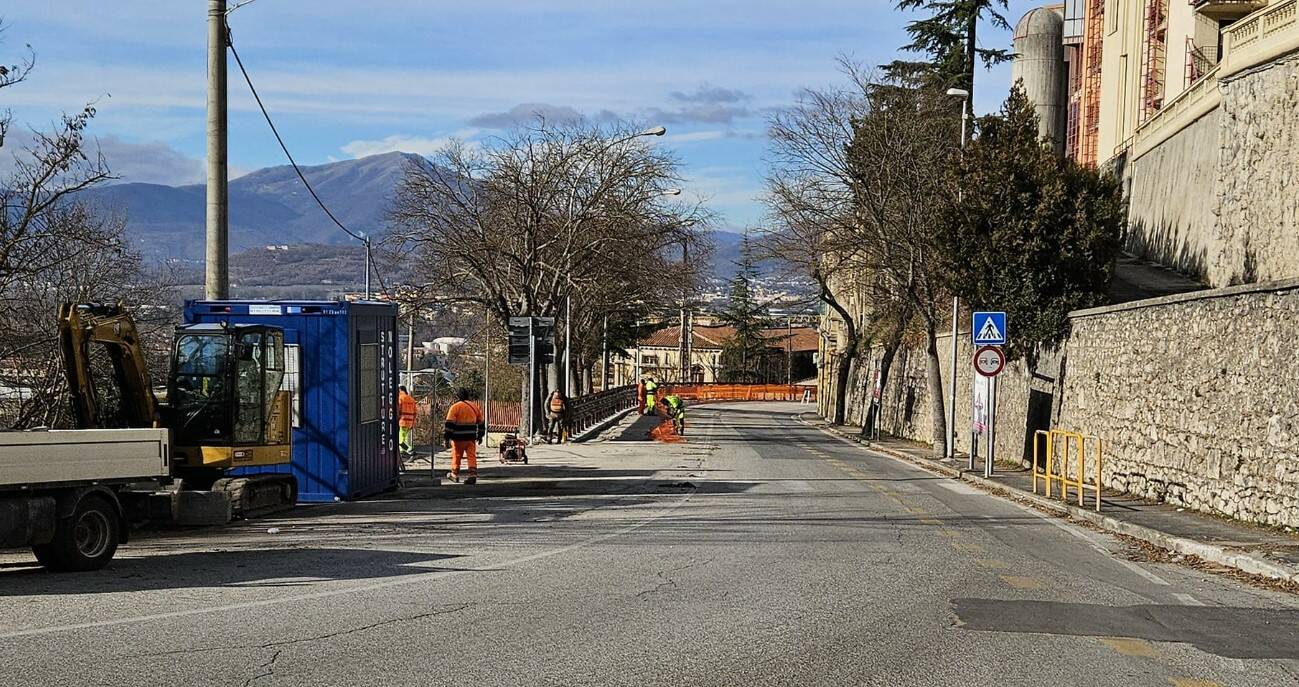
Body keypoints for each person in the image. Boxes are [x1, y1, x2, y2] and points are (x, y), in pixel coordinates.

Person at [444, 387, 485, 484]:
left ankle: (454, 474)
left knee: (456, 456)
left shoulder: (455, 407)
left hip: (458, 438)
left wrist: (447, 438)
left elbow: (449, 424)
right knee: (471, 456)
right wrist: (480, 435)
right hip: (471, 437)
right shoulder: (474, 406)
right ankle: (472, 474)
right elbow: (481, 422)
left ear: (457, 396)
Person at [398, 385, 417, 459]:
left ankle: (410, 451)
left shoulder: (400, 398)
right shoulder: (411, 399)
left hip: (402, 421)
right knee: (404, 438)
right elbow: (415, 412)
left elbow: (398, 410)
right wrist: (413, 423)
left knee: (400, 441)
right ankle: (402, 452)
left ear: (399, 390)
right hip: (410, 422)